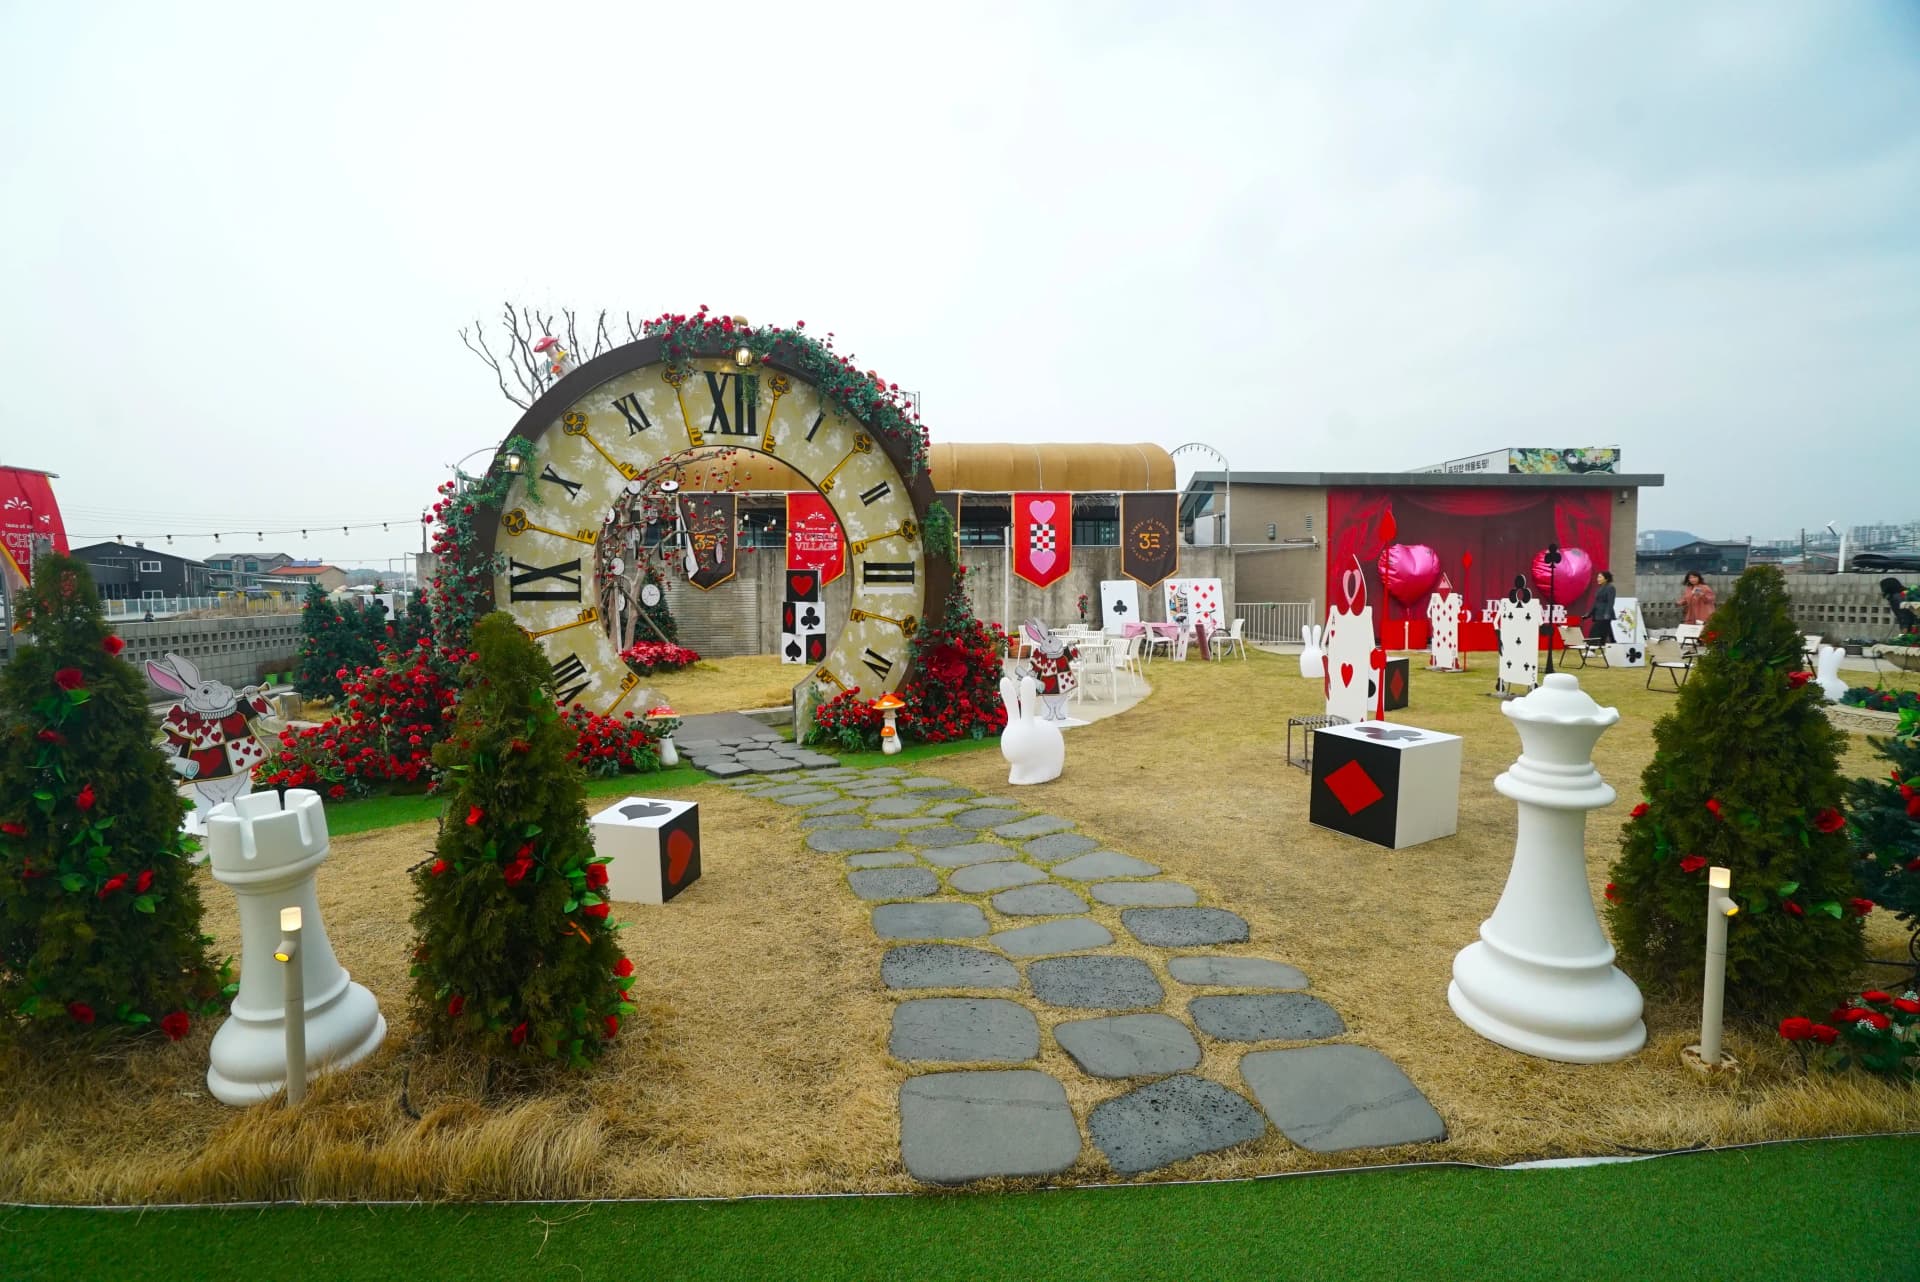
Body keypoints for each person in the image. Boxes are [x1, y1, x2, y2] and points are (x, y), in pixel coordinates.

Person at [1588, 570, 1616, 643]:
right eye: (1598, 577)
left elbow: (1611, 602)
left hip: (1605, 614)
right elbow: (1596, 603)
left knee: (1595, 631)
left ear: (1606, 579)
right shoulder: (1599, 589)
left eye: (1600, 577)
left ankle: (1592, 649)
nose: (1598, 579)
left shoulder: (1610, 588)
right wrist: (1589, 614)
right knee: (1606, 632)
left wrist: (1607, 614)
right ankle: (1611, 646)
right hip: (1598, 614)